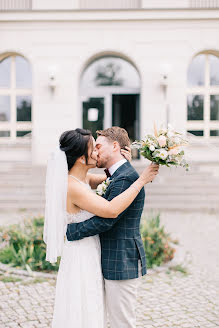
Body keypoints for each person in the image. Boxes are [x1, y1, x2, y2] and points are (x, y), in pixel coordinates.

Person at [44, 127, 159, 328]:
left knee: (93, 308)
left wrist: (125, 164)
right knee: (82, 310)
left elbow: (114, 179)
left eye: (98, 147)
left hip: (93, 253)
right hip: (81, 255)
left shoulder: (84, 179)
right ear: (81, 157)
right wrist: (142, 179)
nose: (97, 152)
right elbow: (111, 209)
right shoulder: (72, 185)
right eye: (93, 148)